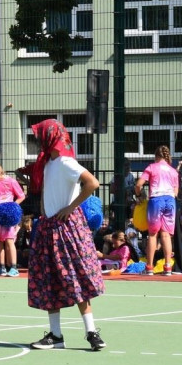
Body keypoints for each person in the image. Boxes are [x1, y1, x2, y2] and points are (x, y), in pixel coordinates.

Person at [25, 120, 106, 351]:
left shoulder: (66, 162)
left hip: (67, 229)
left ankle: (91, 332)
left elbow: (92, 183)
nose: (37, 139)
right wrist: (42, 215)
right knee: (49, 281)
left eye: (40, 135)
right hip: (48, 228)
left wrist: (71, 208)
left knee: (76, 279)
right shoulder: (47, 163)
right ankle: (56, 335)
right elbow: (46, 194)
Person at [134, 145, 180, 276]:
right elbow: (176, 192)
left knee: (153, 234)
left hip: (156, 200)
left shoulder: (152, 167)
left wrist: (139, 196)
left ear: (156, 156)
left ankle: (149, 267)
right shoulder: (173, 171)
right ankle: (167, 267)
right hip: (170, 200)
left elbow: (138, 185)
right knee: (166, 235)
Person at [0, 157, 26, 277]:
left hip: (8, 216)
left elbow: (21, 196)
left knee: (9, 240)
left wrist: (12, 207)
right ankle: (1, 267)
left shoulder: (11, 181)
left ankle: (13, 267)